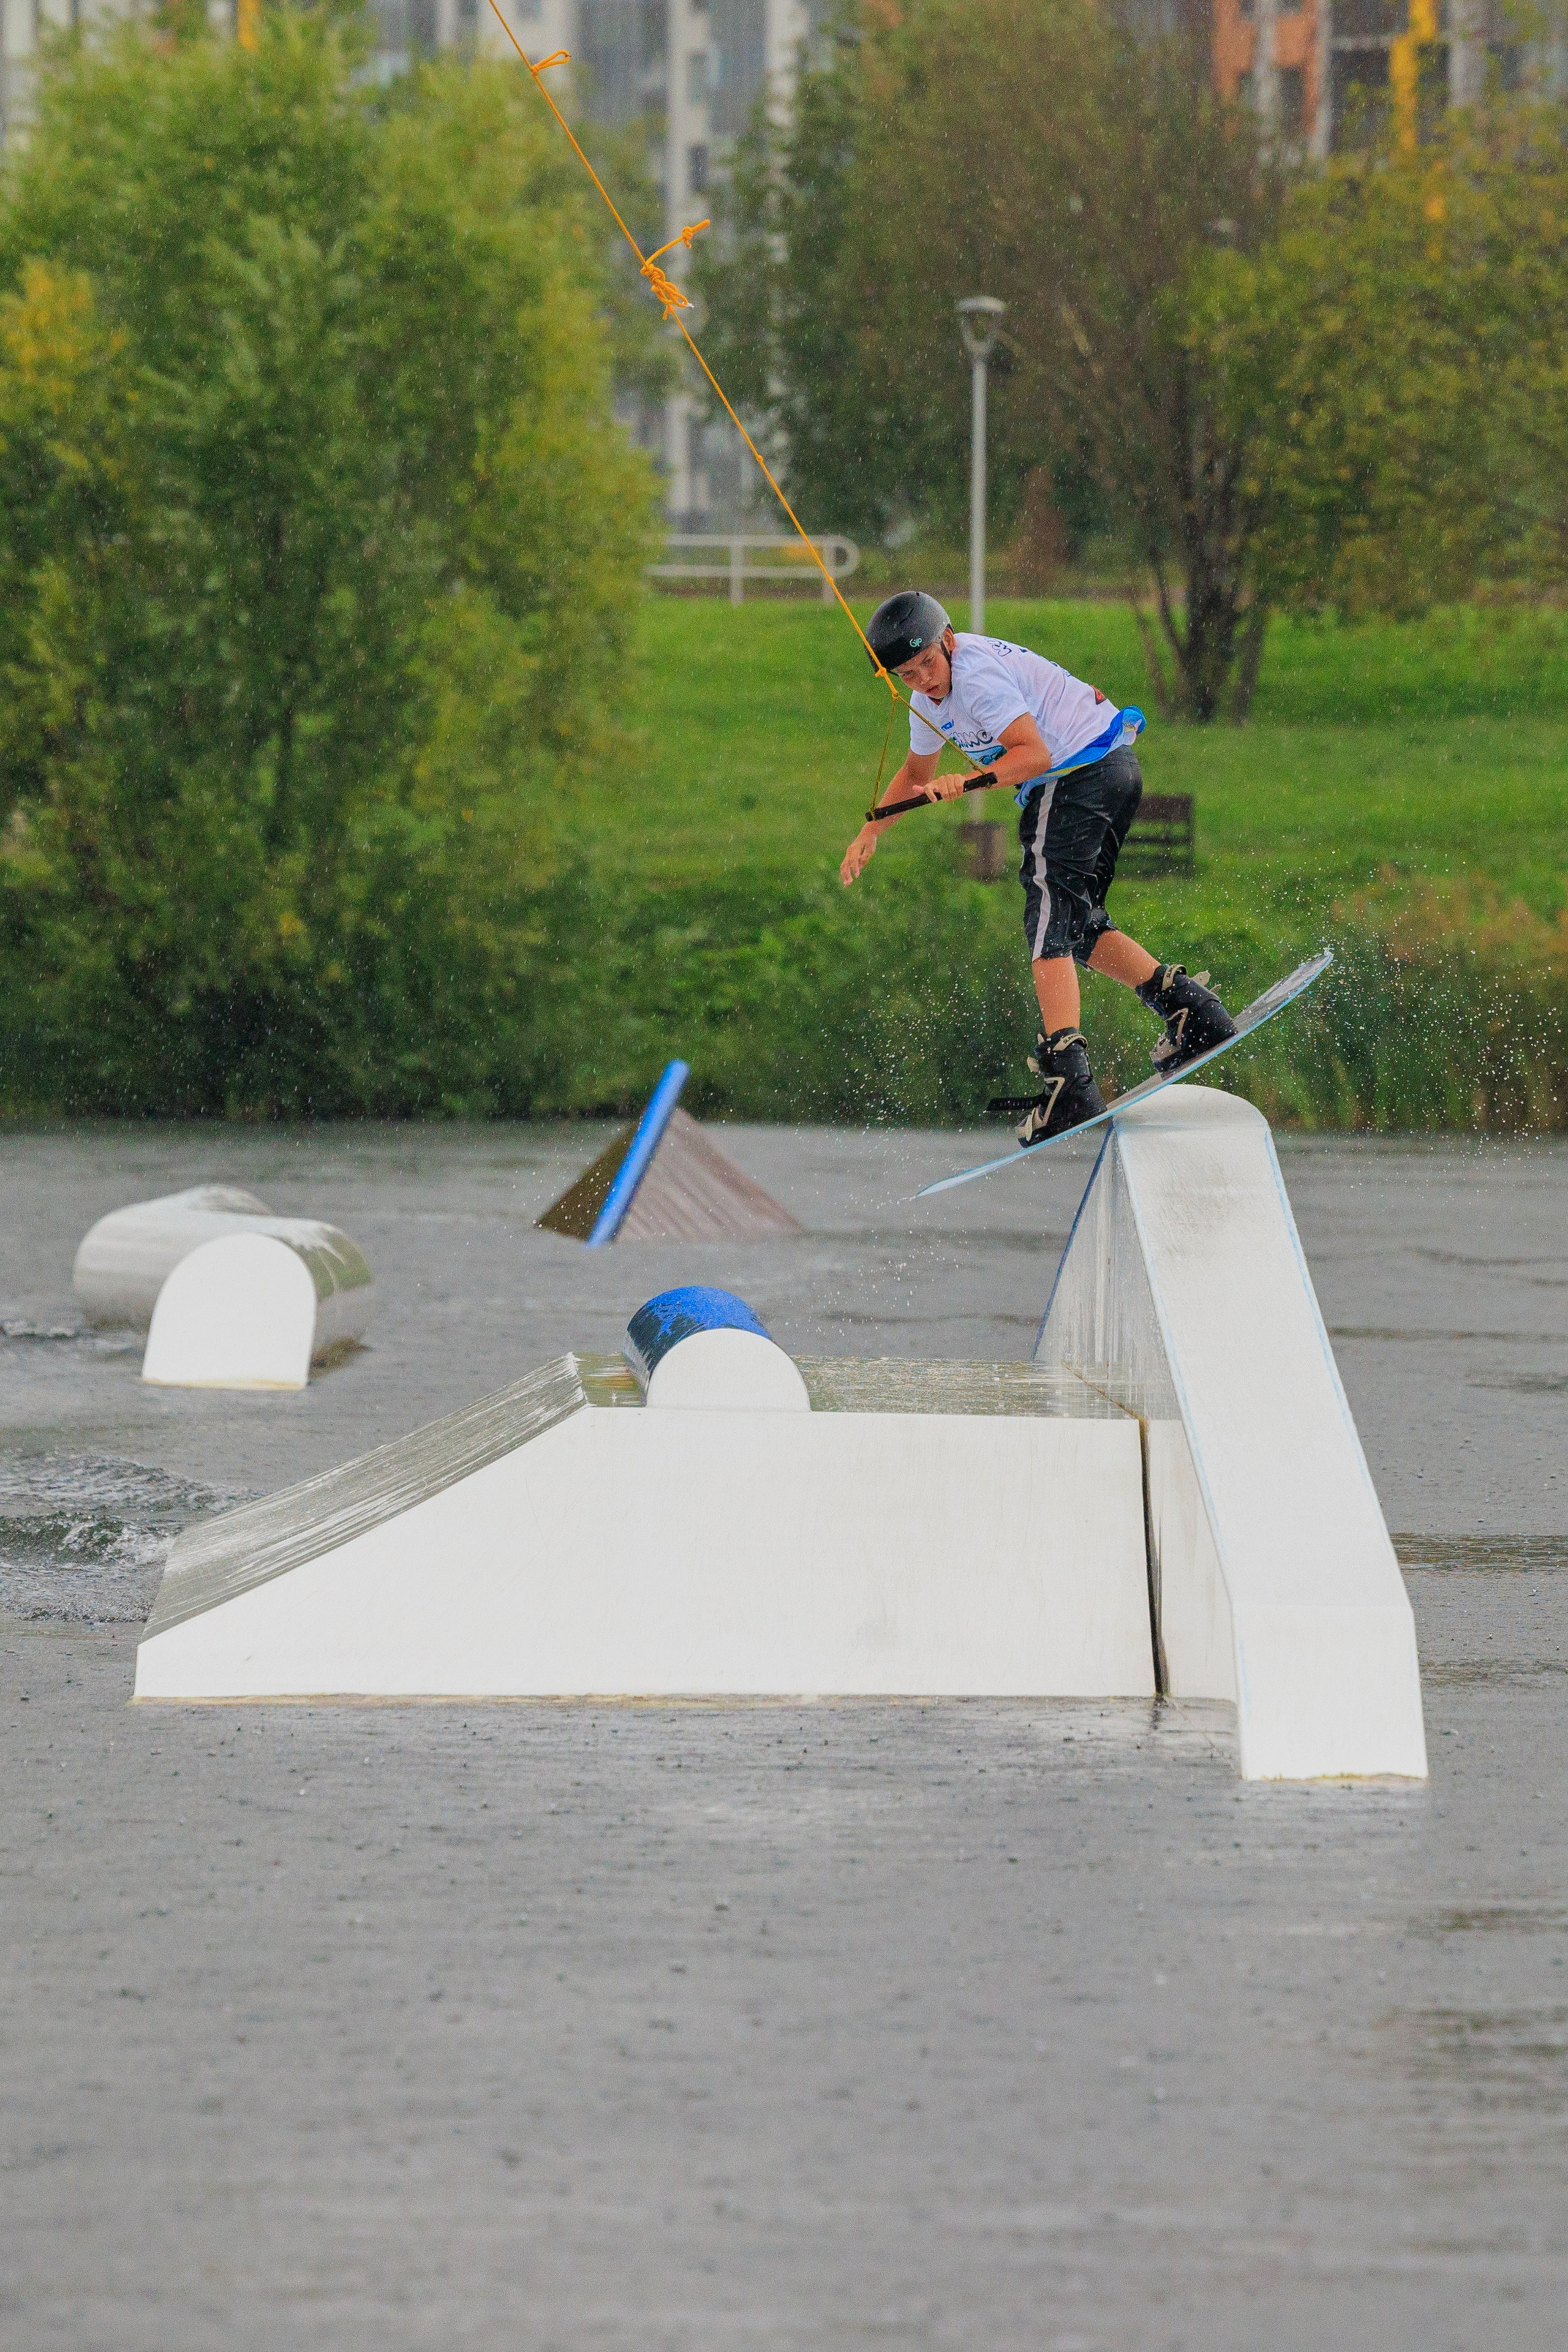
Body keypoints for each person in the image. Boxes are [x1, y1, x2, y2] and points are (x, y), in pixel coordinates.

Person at [839, 590, 1237, 1145]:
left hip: (1077, 774)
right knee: (1076, 925)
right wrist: (871, 831)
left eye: (928, 662)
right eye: (908, 674)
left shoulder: (976, 676)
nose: (923, 679)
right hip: (1111, 771)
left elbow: (1034, 755)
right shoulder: (927, 700)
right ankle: (1190, 1010)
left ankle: (1069, 1080)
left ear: (948, 641)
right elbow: (915, 773)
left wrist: (968, 783)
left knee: (1047, 919)